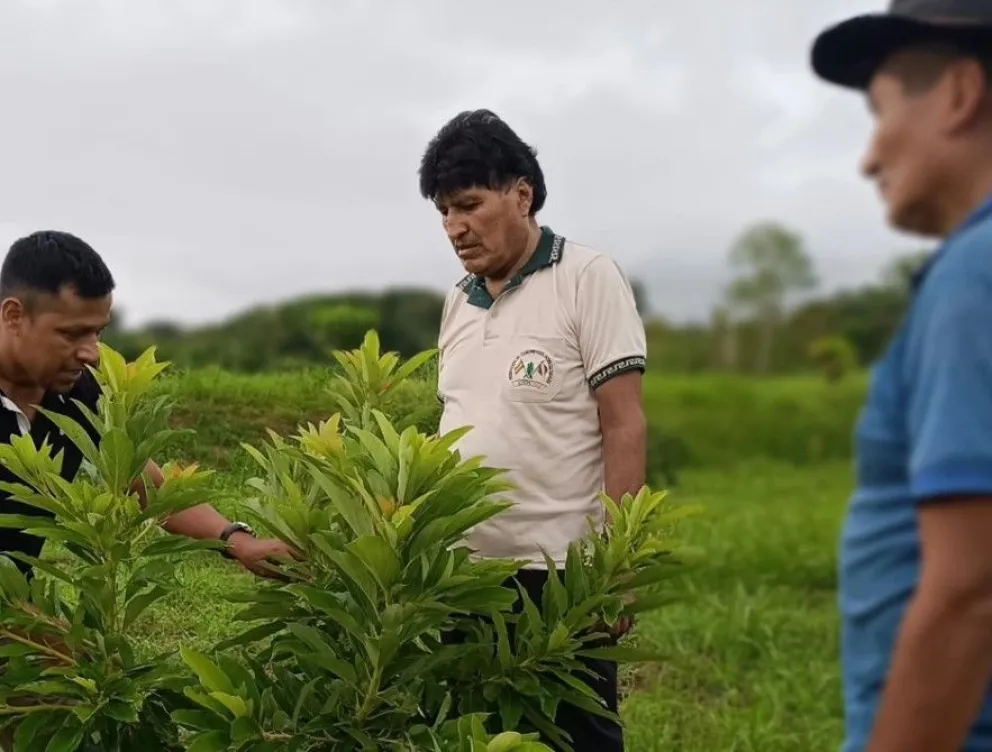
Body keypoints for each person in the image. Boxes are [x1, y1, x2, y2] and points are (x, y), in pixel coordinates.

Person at [419, 109, 647, 751]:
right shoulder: (458, 300)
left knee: (579, 736)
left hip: (558, 572)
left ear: (522, 194)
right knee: (478, 734)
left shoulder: (587, 277)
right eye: (443, 212)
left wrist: (616, 568)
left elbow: (624, 423)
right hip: (464, 573)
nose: (455, 228)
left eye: (469, 204)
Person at [810, 3, 992, 751]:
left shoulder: (973, 276)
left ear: (959, 94)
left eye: (880, 111)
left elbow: (971, 591)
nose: (867, 158)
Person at [0, 230, 298, 582]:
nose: (93, 353)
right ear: (14, 315)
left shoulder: (80, 394)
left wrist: (238, 541)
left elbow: (148, 484)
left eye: (98, 333)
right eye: (71, 334)